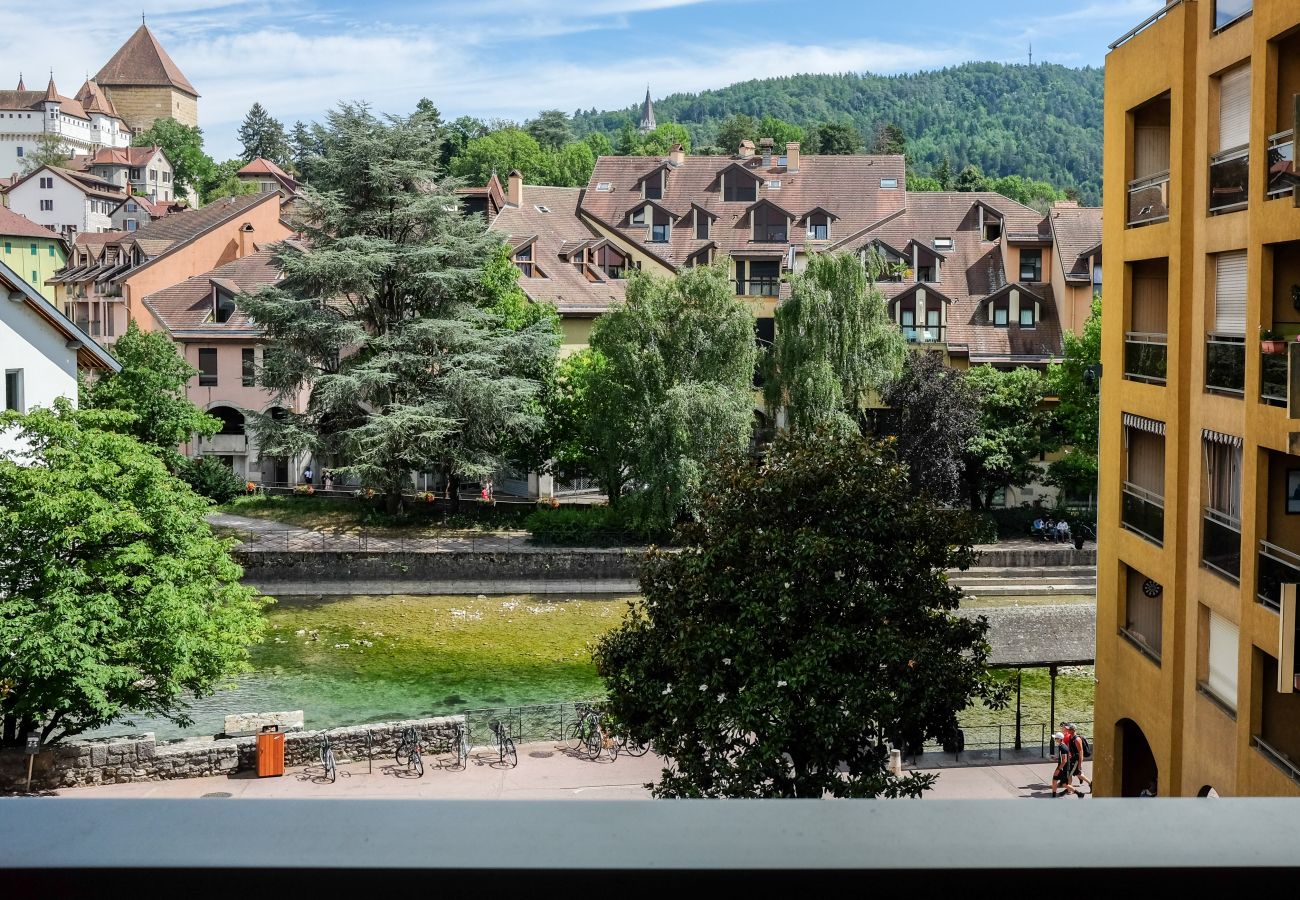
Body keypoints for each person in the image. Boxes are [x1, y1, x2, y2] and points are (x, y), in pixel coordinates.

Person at [1061, 722, 1092, 793]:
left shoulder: (1077, 739)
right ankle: (1090, 783)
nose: (1067, 730)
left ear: (1072, 730)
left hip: (1076, 760)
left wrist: (1080, 764)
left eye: (1068, 729)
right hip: (1073, 759)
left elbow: (1081, 752)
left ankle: (1069, 790)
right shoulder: (1071, 737)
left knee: (1069, 774)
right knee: (1077, 773)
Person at [1050, 732, 1077, 798]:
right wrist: (1057, 758)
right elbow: (1068, 756)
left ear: (1059, 739)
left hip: (1062, 768)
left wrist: (1059, 769)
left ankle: (1078, 793)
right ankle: (1054, 794)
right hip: (1063, 768)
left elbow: (1064, 760)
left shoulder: (1062, 747)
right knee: (1057, 781)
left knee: (1063, 783)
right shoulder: (1063, 746)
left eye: (1055, 738)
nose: (1055, 740)